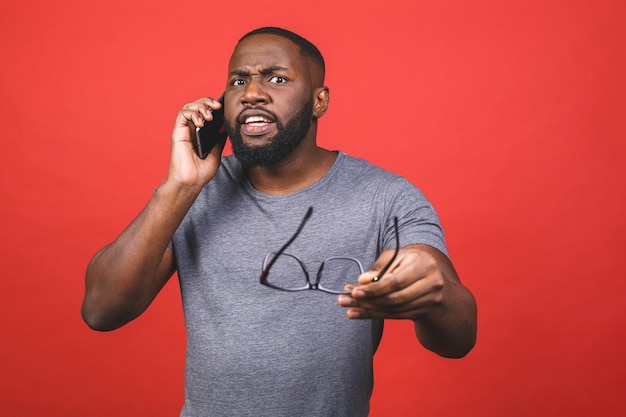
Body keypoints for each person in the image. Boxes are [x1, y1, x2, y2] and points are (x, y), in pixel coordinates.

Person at [82, 26, 477, 417]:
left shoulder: (385, 196)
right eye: (239, 81)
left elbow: (458, 337)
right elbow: (101, 311)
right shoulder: (193, 193)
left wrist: (433, 291)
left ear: (319, 101)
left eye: (277, 78)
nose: (252, 93)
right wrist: (180, 186)